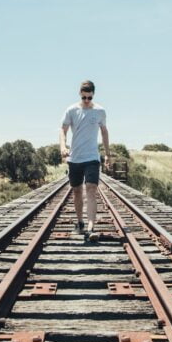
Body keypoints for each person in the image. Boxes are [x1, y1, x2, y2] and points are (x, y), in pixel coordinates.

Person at [59, 80, 110, 240]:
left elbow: (104, 132)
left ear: (93, 95)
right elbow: (63, 129)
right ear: (80, 95)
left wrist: (107, 153)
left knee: (91, 189)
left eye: (89, 97)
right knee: (77, 191)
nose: (87, 101)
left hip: (92, 157)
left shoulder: (100, 111)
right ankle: (80, 222)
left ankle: (90, 227)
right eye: (84, 98)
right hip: (75, 158)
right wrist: (63, 146)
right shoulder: (71, 110)